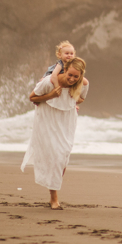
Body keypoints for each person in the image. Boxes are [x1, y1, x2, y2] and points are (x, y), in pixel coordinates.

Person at [22, 57, 88, 209]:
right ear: (65, 70)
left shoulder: (83, 85)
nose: (71, 79)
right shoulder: (49, 82)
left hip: (67, 121)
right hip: (47, 120)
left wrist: (73, 98)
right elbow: (32, 97)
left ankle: (54, 181)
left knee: (63, 156)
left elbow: (81, 99)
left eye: (76, 77)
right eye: (69, 75)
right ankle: (54, 198)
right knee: (55, 156)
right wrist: (51, 95)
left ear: (81, 76)